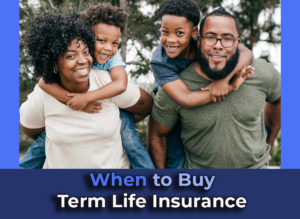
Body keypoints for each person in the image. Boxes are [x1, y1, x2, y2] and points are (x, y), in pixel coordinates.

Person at [20, 3, 154, 169]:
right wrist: (71, 101)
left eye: (114, 43)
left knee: (131, 141)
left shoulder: (110, 69)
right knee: (41, 145)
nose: (108, 47)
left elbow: (123, 87)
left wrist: (87, 98)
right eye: (70, 55)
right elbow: (42, 83)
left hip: (108, 182)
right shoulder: (45, 90)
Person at [148, 7, 281, 169]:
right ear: (198, 40)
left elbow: (279, 98)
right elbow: (156, 134)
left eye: (227, 38)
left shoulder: (260, 72)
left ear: (237, 43)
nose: (218, 45)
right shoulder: (174, 86)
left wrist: (270, 141)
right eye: (210, 37)